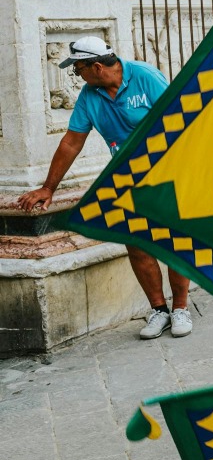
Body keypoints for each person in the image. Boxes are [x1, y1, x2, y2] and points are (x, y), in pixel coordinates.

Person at [17, 37, 194, 339]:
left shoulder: (145, 77)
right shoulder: (89, 96)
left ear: (97, 66)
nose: (77, 76)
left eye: (78, 69)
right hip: (127, 179)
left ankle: (180, 308)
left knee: (175, 242)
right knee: (136, 244)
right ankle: (159, 310)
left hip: (169, 172)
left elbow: (180, 121)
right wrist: (48, 188)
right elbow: (72, 142)